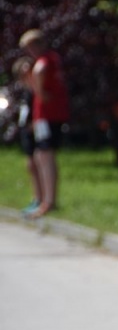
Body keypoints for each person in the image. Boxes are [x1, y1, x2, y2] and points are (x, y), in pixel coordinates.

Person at [18, 29, 70, 218]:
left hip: (48, 115)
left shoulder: (45, 61)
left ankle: (48, 201)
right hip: (44, 117)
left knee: (45, 155)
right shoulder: (53, 59)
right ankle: (43, 199)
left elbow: (40, 73)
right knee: (40, 155)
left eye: (30, 47)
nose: (29, 52)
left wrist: (37, 88)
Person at [11, 56, 42, 216]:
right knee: (30, 164)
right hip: (26, 130)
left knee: (37, 163)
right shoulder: (25, 92)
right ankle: (36, 197)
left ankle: (41, 198)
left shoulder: (37, 91)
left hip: (35, 129)